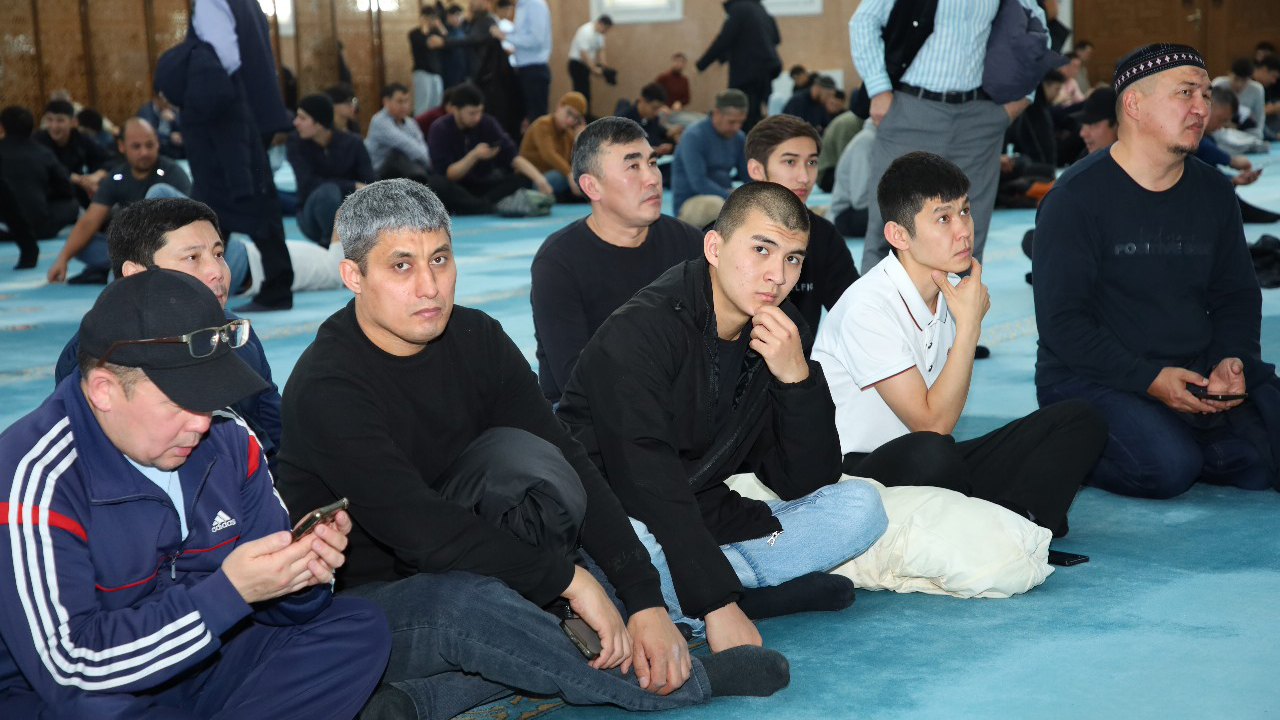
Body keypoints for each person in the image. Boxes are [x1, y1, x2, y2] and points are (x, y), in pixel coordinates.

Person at [276, 179, 790, 720]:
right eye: (401, 266)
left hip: (476, 558)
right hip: (365, 609)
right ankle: (680, 685)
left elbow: (570, 459)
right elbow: (420, 531)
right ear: (354, 275)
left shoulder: (476, 337)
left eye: (440, 259)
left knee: (558, 498)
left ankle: (422, 700)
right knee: (476, 608)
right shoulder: (327, 386)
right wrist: (567, 580)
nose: (429, 286)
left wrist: (643, 598)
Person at [0, 266, 390, 720]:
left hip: (203, 659)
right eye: (181, 403)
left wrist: (300, 574)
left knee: (356, 628)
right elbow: (71, 668)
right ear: (104, 390)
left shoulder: (228, 438)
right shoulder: (37, 477)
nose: (201, 423)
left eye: (209, 398)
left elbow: (278, 610)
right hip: (91, 688)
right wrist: (228, 593)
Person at [558, 181, 888, 648]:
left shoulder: (780, 330)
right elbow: (647, 484)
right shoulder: (641, 331)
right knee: (634, 544)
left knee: (862, 507)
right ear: (714, 247)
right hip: (619, 513)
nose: (777, 275)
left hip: (703, 511)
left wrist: (797, 379)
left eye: (793, 258)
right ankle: (730, 595)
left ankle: (703, 599)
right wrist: (718, 603)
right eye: (761, 249)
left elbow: (805, 481)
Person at [813, 151, 1105, 539]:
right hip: (857, 476)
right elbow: (931, 424)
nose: (964, 230)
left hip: (929, 459)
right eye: (943, 218)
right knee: (933, 453)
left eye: (965, 211)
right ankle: (1005, 521)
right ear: (899, 235)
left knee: (1080, 419)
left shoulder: (949, 290)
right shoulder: (868, 307)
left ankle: (1018, 522)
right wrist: (969, 327)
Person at [1034, 43, 1280, 499]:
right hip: (1091, 375)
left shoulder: (1213, 191)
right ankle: (1067, 439)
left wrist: (1231, 359)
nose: (1201, 108)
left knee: (1260, 460)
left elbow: (1236, 295)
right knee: (1169, 468)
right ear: (1134, 104)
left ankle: (1182, 430)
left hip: (1191, 367)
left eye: (1206, 95)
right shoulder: (1074, 199)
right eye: (1185, 93)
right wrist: (1148, 379)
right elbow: (1063, 323)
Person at [52, 196, 279, 472]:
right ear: (137, 275)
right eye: (192, 258)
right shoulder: (96, 358)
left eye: (219, 254)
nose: (216, 271)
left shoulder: (234, 333)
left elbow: (276, 436)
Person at [849, 0, 1042, 274]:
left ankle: (963, 303)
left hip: (979, 116)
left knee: (968, 233)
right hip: (911, 109)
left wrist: (1024, 98)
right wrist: (878, 88)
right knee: (890, 230)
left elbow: (1036, 28)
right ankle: (877, 304)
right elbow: (862, 21)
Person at [532, 117, 704, 405]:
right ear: (592, 186)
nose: (653, 178)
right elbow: (575, 380)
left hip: (677, 398)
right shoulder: (558, 262)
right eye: (633, 167)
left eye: (652, 163)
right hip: (589, 410)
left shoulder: (688, 242)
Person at [165, 0, 295, 313]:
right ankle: (215, 285)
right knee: (236, 205)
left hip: (226, 119)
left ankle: (258, 287)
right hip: (248, 114)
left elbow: (223, 58)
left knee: (225, 203)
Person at [743, 114, 859, 334]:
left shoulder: (823, 234)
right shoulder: (727, 234)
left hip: (801, 355)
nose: (804, 177)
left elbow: (854, 312)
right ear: (756, 169)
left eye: (811, 162)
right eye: (790, 162)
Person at [46, 118, 192, 285]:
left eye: (149, 145)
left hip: (167, 246)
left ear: (157, 143)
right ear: (122, 146)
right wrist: (62, 259)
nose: (144, 152)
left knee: (157, 192)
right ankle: (136, 264)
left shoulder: (172, 173)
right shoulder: (117, 177)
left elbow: (190, 226)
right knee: (81, 244)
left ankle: (133, 265)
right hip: (134, 249)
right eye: (136, 146)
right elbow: (89, 221)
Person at [428, 83, 555, 213]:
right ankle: (482, 206)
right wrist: (474, 155)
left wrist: (540, 180)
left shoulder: (487, 123)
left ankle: (479, 206)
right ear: (455, 110)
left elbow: (513, 157)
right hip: (457, 187)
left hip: (483, 185)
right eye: (472, 113)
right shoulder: (440, 128)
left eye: (480, 112)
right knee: (436, 184)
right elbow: (449, 175)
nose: (477, 118)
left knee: (523, 178)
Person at [287, 93, 376, 247]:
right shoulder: (296, 143)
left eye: (302, 118)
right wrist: (352, 185)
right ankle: (330, 246)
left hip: (351, 216)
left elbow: (369, 182)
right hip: (311, 216)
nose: (295, 122)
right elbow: (307, 183)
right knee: (328, 192)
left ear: (319, 123)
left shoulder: (353, 143)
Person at [0, 105, 78, 266]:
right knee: (72, 204)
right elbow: (66, 190)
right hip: (40, 227)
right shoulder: (43, 153)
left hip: (4, 229)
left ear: (2, 127)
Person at [696, 0, 782, 131]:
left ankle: (746, 142)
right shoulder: (760, 9)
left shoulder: (738, 8)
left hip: (747, 73)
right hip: (767, 69)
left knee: (742, 117)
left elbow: (725, 38)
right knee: (763, 114)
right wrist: (722, 58)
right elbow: (776, 38)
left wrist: (701, 64)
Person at [670, 90, 751, 228]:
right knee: (718, 206)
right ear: (717, 113)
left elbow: (747, 174)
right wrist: (731, 196)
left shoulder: (738, 137)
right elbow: (699, 182)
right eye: (732, 121)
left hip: (724, 196)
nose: (736, 127)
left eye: (741, 122)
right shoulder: (693, 136)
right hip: (691, 201)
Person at [34, 99, 112, 208]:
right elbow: (48, 169)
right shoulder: (37, 141)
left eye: (60, 120)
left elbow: (109, 159)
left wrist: (96, 176)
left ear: (73, 122)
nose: (54, 126)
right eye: (50, 120)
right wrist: (78, 180)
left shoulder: (81, 138)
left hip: (82, 194)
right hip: (50, 198)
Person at [489, 0, 552, 124]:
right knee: (525, 118)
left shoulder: (534, 4)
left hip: (534, 69)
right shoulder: (521, 5)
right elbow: (522, 34)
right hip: (524, 69)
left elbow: (535, 39)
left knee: (537, 120)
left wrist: (505, 36)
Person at [519, 92, 587, 199]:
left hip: (549, 178)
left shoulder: (568, 133)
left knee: (583, 174)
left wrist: (580, 139)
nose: (570, 120)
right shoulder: (543, 124)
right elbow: (549, 154)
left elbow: (574, 162)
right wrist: (569, 173)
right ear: (559, 106)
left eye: (575, 118)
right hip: (532, 179)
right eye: (569, 113)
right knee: (565, 175)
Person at [365, 82, 433, 180]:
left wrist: (429, 161)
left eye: (406, 101)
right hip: (380, 173)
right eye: (400, 102)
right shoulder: (379, 121)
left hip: (404, 171)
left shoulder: (410, 122)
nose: (404, 106)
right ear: (386, 101)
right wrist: (430, 162)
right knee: (398, 155)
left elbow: (421, 143)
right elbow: (406, 145)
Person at [827, 122, 876, 238]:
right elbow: (859, 200)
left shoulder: (879, 140)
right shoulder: (867, 141)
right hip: (846, 214)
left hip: (862, 208)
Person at [616, 83, 680, 157]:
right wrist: (647, 150)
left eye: (659, 108)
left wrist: (670, 138)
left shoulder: (652, 118)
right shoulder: (624, 121)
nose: (657, 113)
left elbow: (658, 135)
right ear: (642, 100)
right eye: (654, 108)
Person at [567, 15, 613, 113]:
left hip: (584, 66)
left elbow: (601, 49)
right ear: (601, 24)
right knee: (580, 94)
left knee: (586, 94)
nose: (606, 31)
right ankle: (579, 116)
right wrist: (594, 69)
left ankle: (585, 116)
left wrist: (604, 66)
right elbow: (583, 54)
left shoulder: (600, 33)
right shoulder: (585, 31)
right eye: (606, 29)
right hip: (577, 65)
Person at [1212, 58, 1267, 139]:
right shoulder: (1218, 84)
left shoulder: (1257, 89)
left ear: (1250, 78)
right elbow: (1210, 112)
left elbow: (1260, 117)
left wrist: (1258, 137)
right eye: (1236, 79)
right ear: (1229, 74)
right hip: (1222, 126)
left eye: (1244, 80)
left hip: (1243, 128)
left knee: (1258, 134)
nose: (1239, 84)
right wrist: (1226, 123)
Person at [816, 99, 863, 192]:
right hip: (827, 174)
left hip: (834, 170)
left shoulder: (854, 120)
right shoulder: (850, 123)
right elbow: (846, 160)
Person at [409, 5, 447, 115]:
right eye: (428, 18)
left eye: (433, 18)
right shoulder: (414, 33)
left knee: (437, 104)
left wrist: (439, 26)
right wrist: (424, 27)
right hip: (422, 72)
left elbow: (446, 41)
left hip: (436, 72)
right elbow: (427, 43)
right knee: (422, 105)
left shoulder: (436, 32)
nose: (431, 21)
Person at [136, 93, 185, 158]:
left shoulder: (172, 109)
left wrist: (174, 120)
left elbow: (184, 128)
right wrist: (169, 136)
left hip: (172, 146)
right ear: (157, 99)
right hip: (156, 144)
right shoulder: (146, 110)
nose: (169, 104)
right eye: (166, 101)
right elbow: (148, 133)